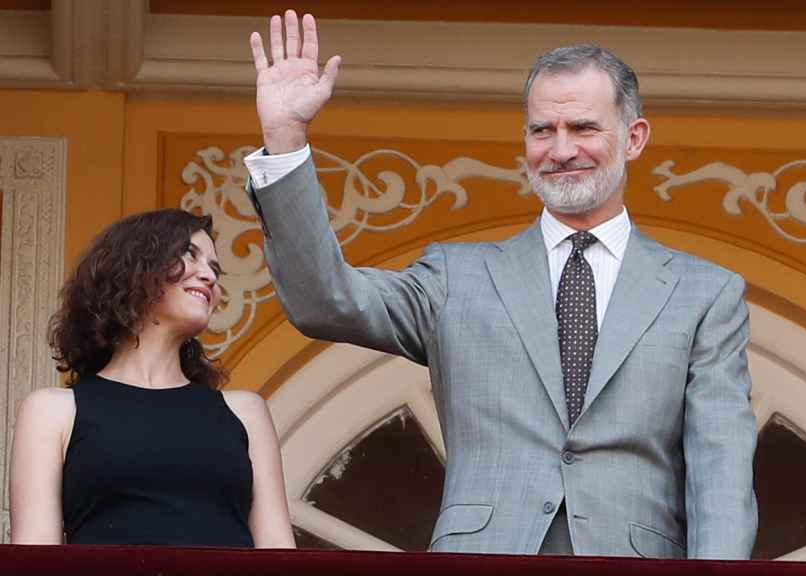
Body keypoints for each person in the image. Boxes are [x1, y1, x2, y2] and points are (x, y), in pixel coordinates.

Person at [244, 10, 756, 559]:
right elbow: (325, 301)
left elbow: (720, 473)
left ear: (633, 138)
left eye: (583, 127)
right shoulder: (455, 277)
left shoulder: (705, 293)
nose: (560, 151)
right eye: (542, 130)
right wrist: (285, 136)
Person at [9, 209, 295, 548]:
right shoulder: (51, 412)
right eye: (190, 256)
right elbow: (35, 561)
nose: (209, 277)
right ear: (135, 267)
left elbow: (278, 557)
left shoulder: (246, 413)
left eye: (215, 269)